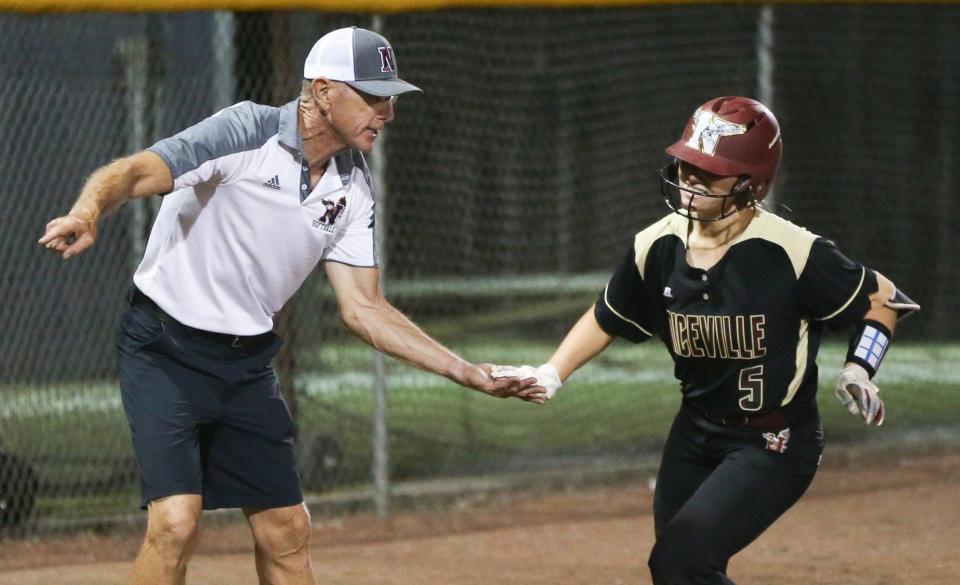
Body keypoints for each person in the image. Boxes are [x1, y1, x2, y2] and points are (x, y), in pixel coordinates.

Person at [39, 27, 544, 585]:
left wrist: (467, 372)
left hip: (246, 364)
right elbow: (135, 171)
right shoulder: (245, 131)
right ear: (324, 91)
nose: (388, 112)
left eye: (391, 97)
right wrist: (87, 213)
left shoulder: (353, 187)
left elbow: (365, 308)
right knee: (176, 525)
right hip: (165, 350)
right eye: (375, 96)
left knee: (287, 529)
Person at [493, 96, 919, 585]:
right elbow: (609, 315)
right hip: (693, 434)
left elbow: (884, 299)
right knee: (676, 572)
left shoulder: (793, 251)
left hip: (773, 440)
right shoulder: (657, 244)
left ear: (750, 184)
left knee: (680, 562)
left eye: (708, 173)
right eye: (686, 165)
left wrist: (859, 368)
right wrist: (552, 372)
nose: (690, 181)